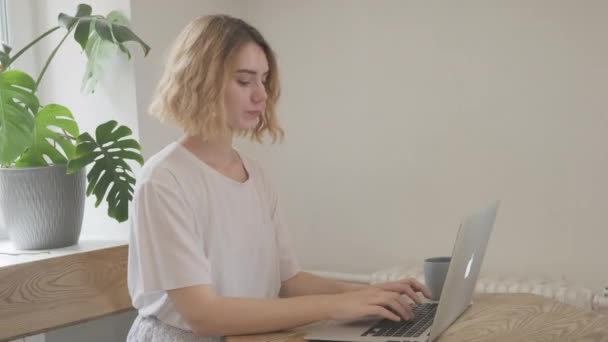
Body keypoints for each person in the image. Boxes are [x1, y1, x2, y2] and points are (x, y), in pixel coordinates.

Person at [126, 14, 431, 342]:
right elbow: (205, 316)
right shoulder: (163, 181)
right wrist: (337, 306)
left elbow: (289, 281)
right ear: (201, 82)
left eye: (264, 80)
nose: (261, 95)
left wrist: (370, 294)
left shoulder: (255, 173)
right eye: (244, 81)